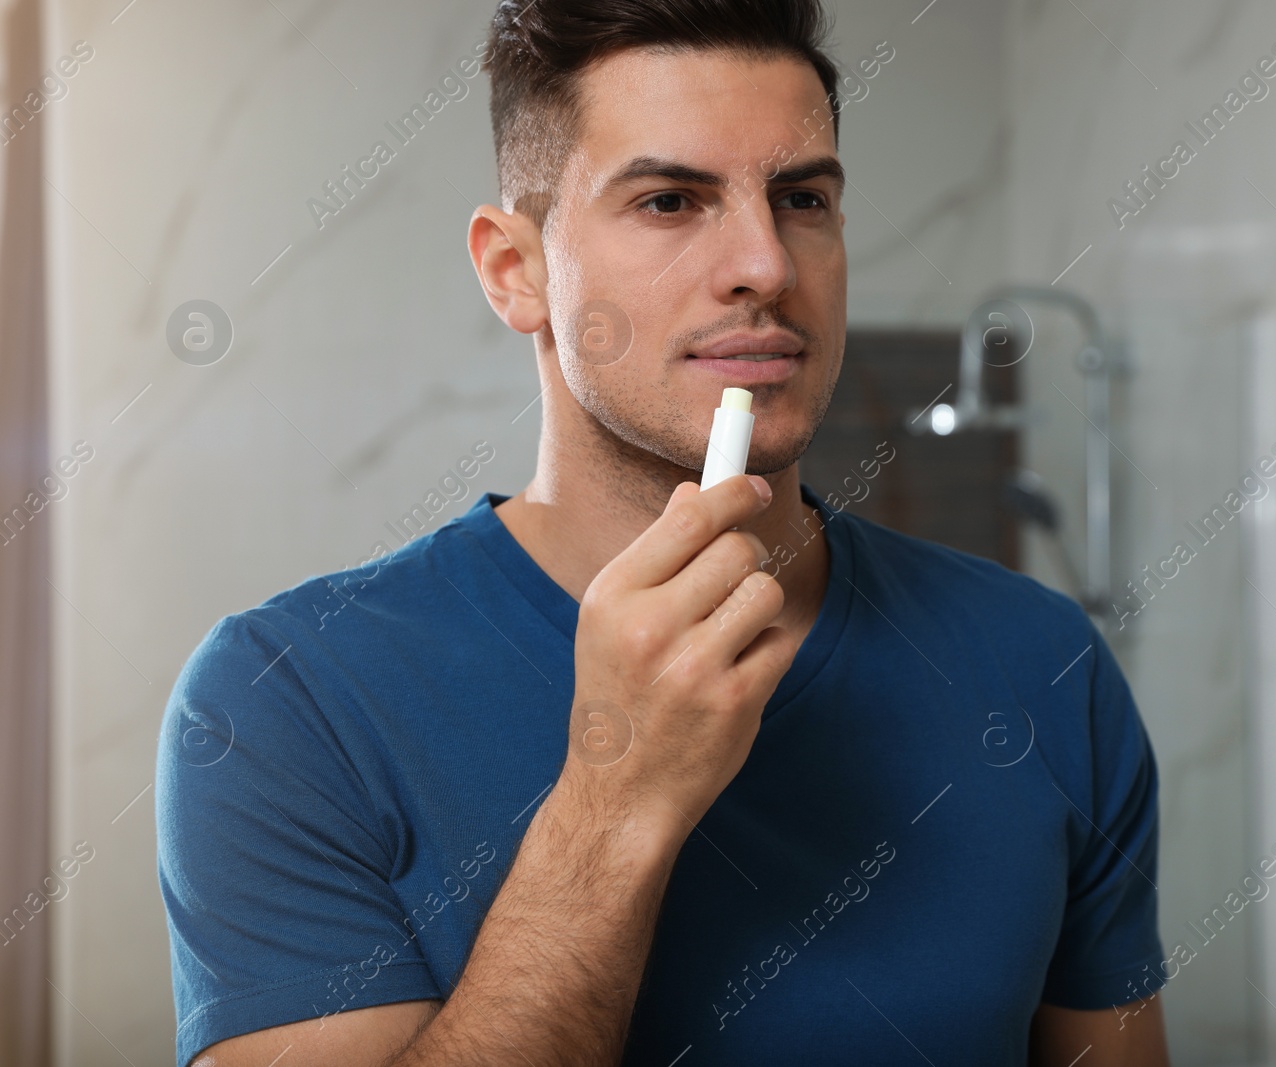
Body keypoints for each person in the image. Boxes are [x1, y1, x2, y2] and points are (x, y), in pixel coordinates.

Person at [155, 1, 1171, 1063]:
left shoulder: (1041, 660)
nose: (766, 267)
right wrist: (615, 798)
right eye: (670, 199)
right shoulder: (284, 699)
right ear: (515, 270)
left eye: (802, 197)